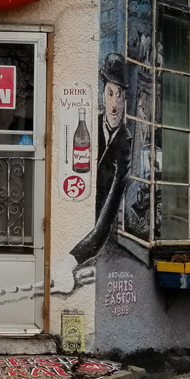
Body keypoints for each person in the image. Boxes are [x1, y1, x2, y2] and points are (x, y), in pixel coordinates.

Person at [54, 52, 132, 293]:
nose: (114, 104)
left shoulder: (125, 144)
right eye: (110, 93)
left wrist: (69, 262)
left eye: (120, 96)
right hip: (72, 215)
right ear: (103, 94)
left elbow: (105, 220)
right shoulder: (89, 125)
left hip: (92, 236)